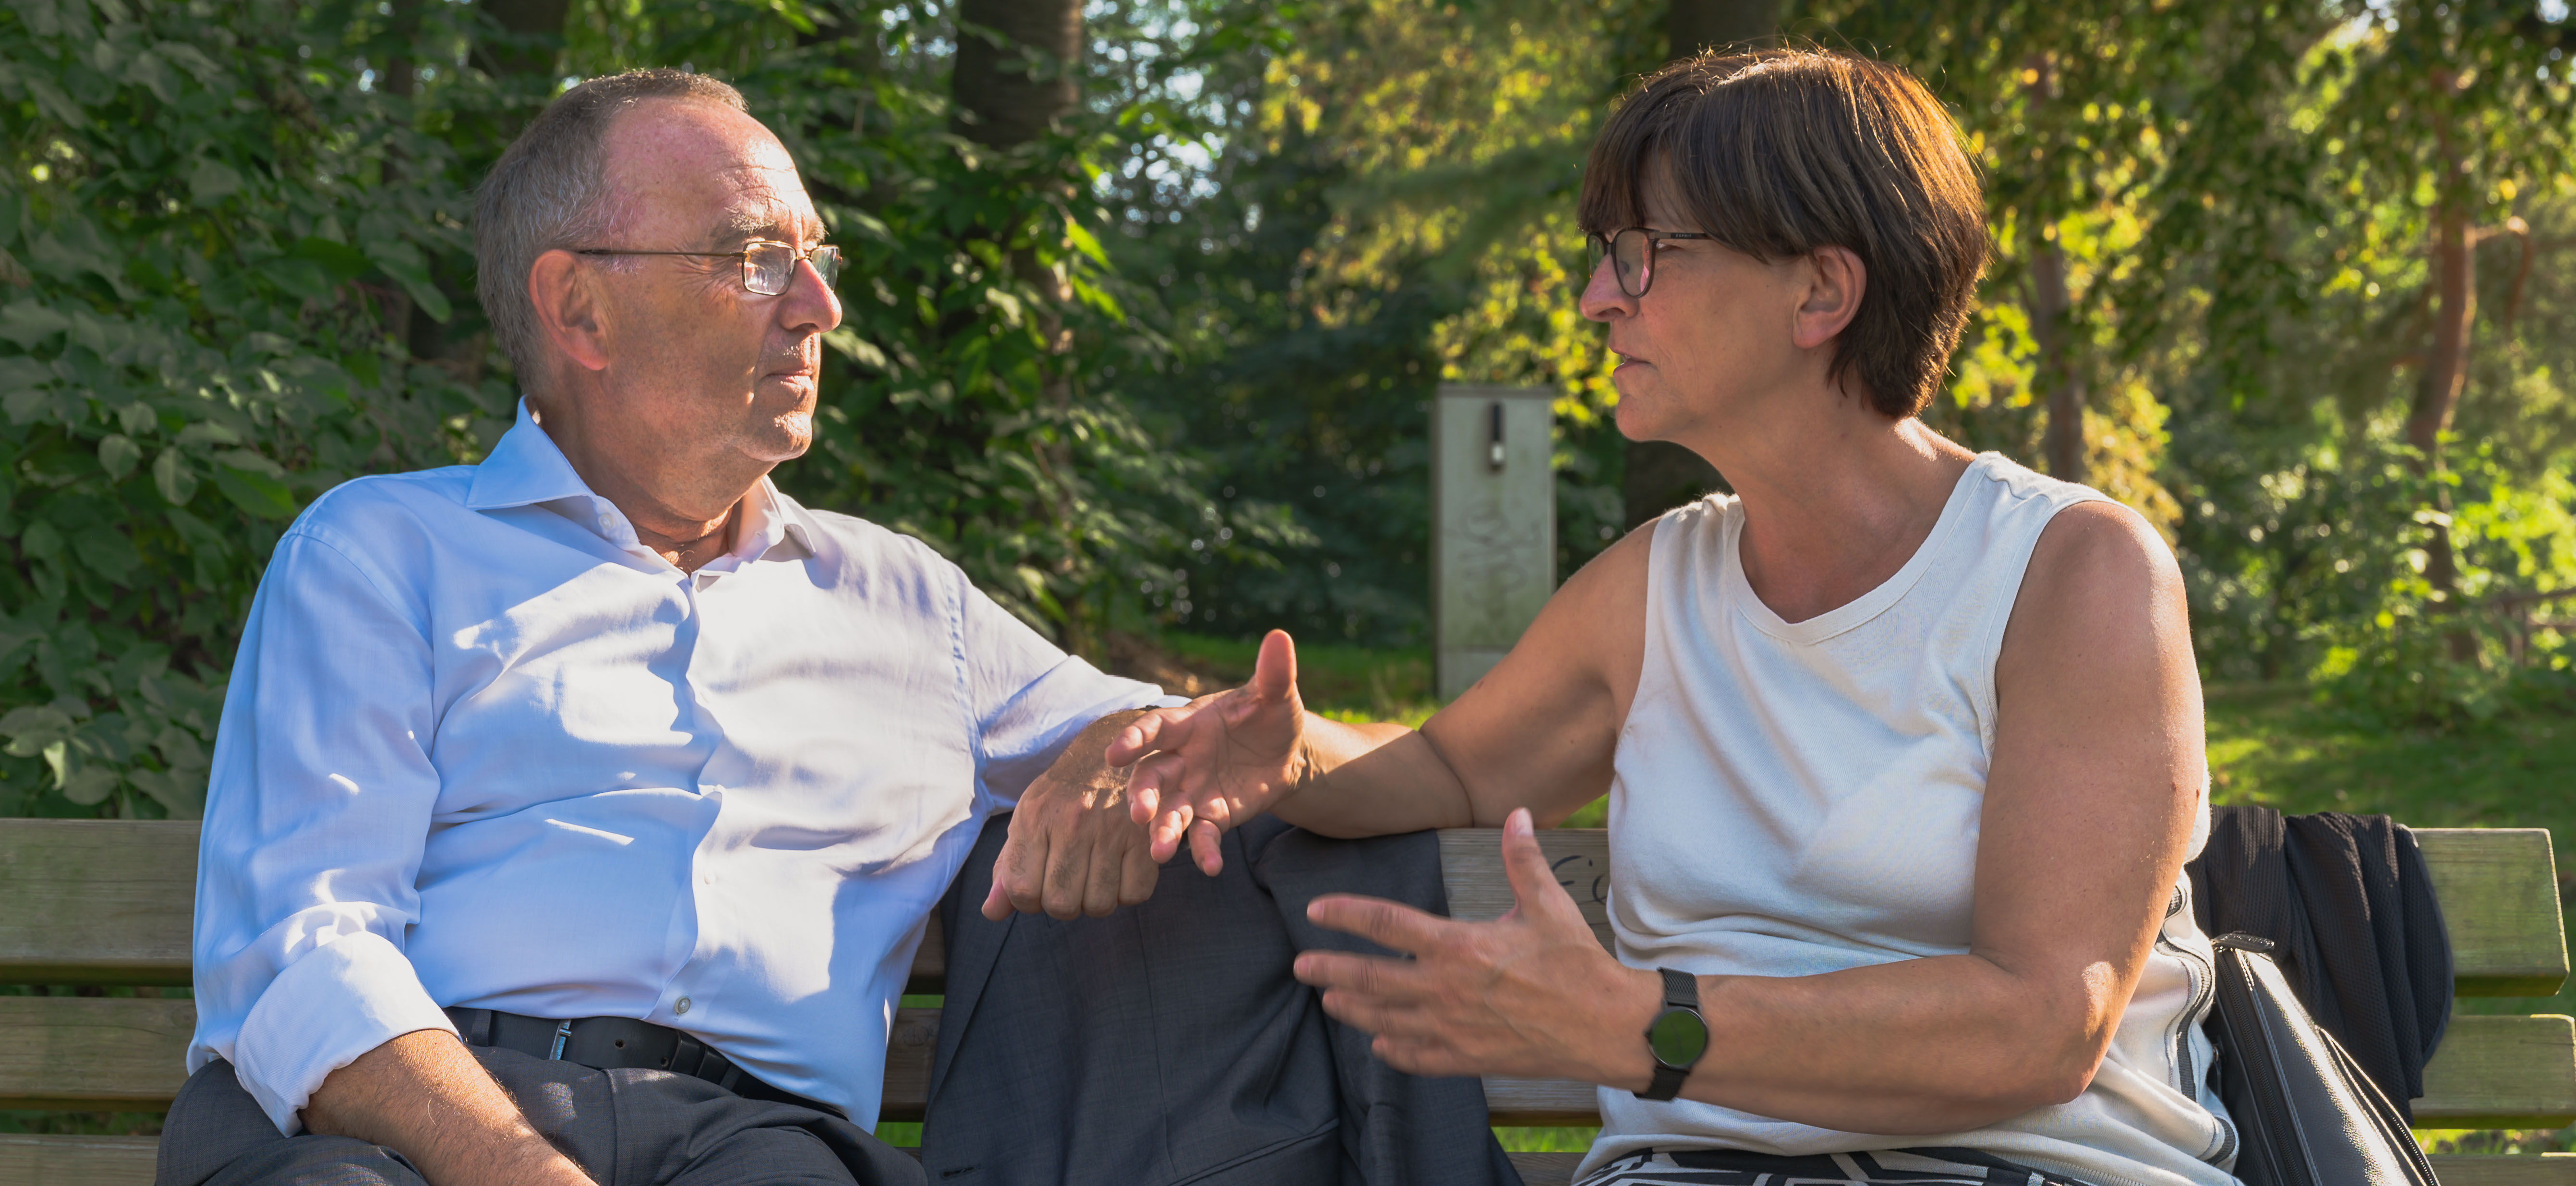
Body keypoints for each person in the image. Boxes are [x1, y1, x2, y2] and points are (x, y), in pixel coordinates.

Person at [1082, 48, 2242, 1186]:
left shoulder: (2071, 572)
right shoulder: (1659, 582)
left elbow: (2045, 1023)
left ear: (1821, 291)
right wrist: (1284, 752)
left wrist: (1649, 1023)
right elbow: (1450, 767)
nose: (1597, 299)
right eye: (1606, 257)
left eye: (1645, 256)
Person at [158, 69, 1182, 1186]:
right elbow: (302, 949)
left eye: (816, 259)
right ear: (579, 310)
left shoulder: (910, 604)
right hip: (396, 1131)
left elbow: (1233, 745)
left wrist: (1116, 744)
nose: (817, 309)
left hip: (756, 1150)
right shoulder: (379, 552)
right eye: (753, 259)